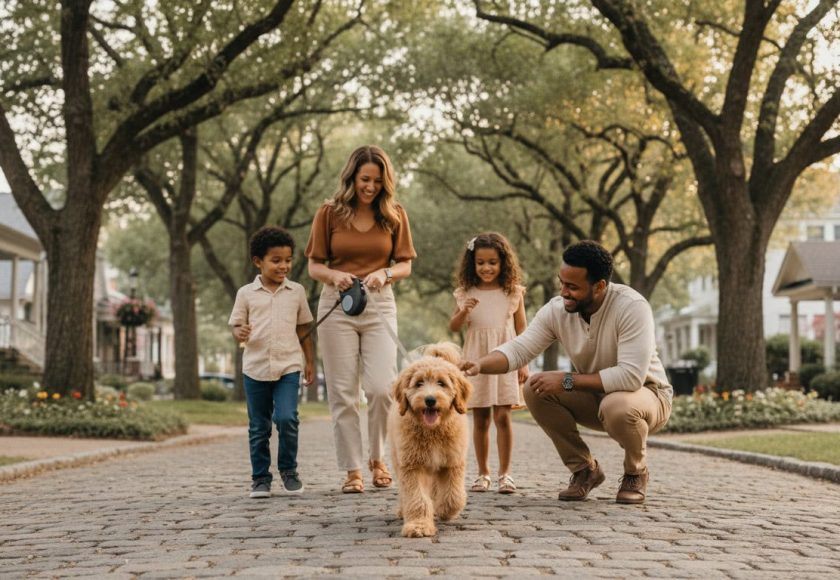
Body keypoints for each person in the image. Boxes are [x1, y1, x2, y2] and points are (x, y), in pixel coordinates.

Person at [461, 240, 672, 504]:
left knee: (618, 406)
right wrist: (479, 364)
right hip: (596, 395)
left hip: (646, 395)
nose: (564, 292)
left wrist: (568, 380)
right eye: (562, 283)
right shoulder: (557, 310)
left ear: (599, 286)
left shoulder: (631, 307)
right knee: (535, 389)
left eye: (572, 287)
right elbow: (518, 349)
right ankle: (585, 471)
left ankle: (635, 472)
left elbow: (630, 377)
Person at [305, 145, 416, 494]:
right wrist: (333, 276)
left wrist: (386, 273)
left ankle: (378, 458)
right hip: (338, 302)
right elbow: (314, 265)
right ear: (352, 177)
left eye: (377, 181)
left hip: (379, 302)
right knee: (342, 392)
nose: (370, 187)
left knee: (382, 388)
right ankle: (353, 470)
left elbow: (406, 264)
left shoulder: (394, 214)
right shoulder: (329, 213)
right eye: (365, 179)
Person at [229, 226, 315, 498]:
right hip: (255, 368)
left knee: (288, 418)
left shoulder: (297, 291)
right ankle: (260, 478)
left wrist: (310, 362)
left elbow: (304, 330)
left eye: (288, 260)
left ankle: (289, 471)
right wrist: (239, 332)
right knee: (259, 426)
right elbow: (236, 326)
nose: (284, 266)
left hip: (289, 365)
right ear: (258, 261)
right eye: (276, 260)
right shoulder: (246, 293)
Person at [449, 232, 528, 494]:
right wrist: (464, 311)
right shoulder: (465, 293)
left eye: (492, 262)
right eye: (480, 262)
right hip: (475, 359)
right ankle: (483, 474)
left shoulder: (513, 292)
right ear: (472, 263)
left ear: (503, 262)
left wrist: (523, 362)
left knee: (503, 417)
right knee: (480, 418)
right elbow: (453, 327)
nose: (486, 268)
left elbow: (522, 328)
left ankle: (505, 474)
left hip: (506, 356)